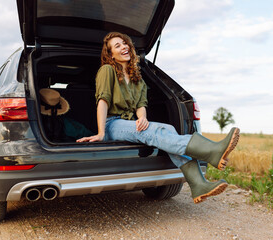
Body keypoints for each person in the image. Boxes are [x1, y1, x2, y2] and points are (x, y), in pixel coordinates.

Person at [77, 32, 240, 203]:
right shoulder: (107, 70)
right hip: (111, 124)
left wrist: (142, 118)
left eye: (125, 43)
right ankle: (210, 151)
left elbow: (141, 104)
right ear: (111, 54)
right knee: (154, 131)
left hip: (129, 123)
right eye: (117, 46)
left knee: (168, 129)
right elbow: (102, 100)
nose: (124, 46)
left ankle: (199, 184)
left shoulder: (137, 77)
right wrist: (101, 132)